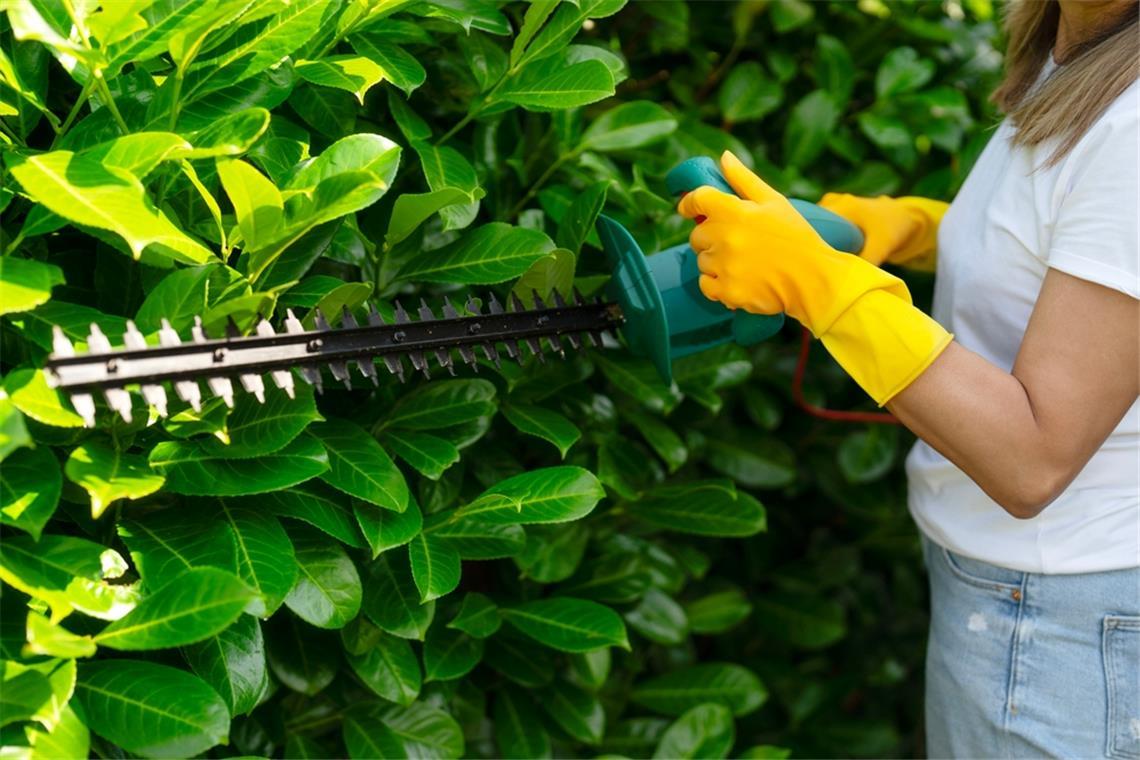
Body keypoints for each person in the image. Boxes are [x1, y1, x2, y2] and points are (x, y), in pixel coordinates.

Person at [677, 1, 1139, 757]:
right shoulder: (1079, 49)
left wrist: (818, 282)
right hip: (1021, 598)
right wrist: (909, 227)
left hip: (1061, 623)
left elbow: (1032, 457)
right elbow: (1065, 240)